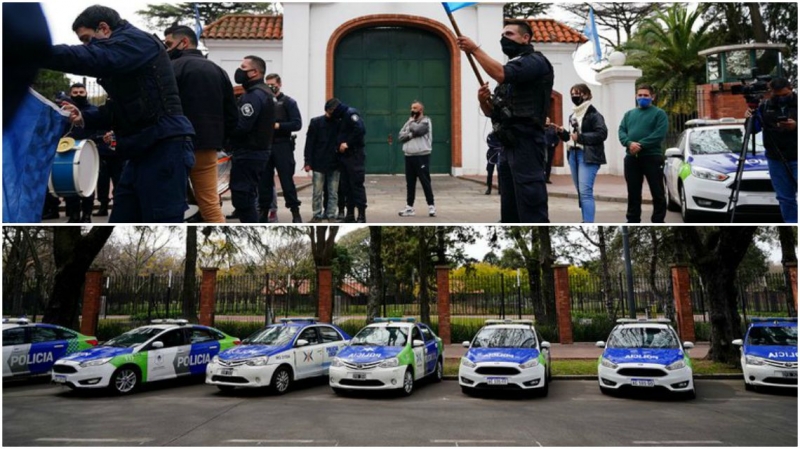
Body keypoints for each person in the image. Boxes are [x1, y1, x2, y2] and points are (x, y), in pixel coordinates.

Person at [42, 5, 195, 223]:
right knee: (122, 217)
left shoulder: (137, 42)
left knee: (161, 218)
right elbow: (119, 109)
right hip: (139, 149)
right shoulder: (125, 56)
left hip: (164, 146)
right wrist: (85, 116)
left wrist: (34, 53)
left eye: (87, 39)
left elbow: (92, 58)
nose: (86, 46)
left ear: (103, 28)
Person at [457, 20, 554, 223]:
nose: (504, 38)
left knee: (530, 201)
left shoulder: (535, 62)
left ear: (525, 38)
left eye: (509, 34)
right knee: (509, 205)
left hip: (527, 142)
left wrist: (474, 49)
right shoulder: (512, 71)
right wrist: (482, 101)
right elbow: (492, 113)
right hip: (506, 145)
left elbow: (501, 73)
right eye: (502, 35)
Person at [164, 25, 237, 223]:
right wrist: (222, 141)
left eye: (169, 44)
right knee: (210, 203)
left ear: (184, 42)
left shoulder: (171, 68)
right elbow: (231, 113)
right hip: (208, 146)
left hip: (175, 144)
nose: (167, 49)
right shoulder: (218, 70)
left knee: (171, 202)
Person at [229, 56, 276, 223]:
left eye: (243, 67)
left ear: (255, 72)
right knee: (247, 195)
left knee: (243, 198)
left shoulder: (254, 95)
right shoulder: (265, 92)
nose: (239, 70)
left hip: (249, 152)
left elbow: (242, 126)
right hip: (258, 151)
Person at [747, 77, 798, 223]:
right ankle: (792, 222)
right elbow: (752, 130)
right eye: (777, 95)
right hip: (775, 157)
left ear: (791, 89)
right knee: (784, 197)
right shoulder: (764, 106)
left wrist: (796, 126)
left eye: (785, 95)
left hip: (797, 155)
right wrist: (750, 117)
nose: (781, 98)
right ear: (771, 93)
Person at [557, 83, 608, 223]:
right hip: (573, 154)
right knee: (581, 191)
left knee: (585, 192)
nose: (575, 96)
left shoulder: (594, 115)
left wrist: (581, 138)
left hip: (587, 155)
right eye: (572, 93)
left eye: (578, 93)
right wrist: (562, 133)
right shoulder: (572, 115)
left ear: (586, 94)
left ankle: (588, 222)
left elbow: (602, 134)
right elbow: (571, 138)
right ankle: (585, 220)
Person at [62, 83, 112, 223]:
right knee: (70, 184)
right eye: (75, 92)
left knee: (87, 186)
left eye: (81, 92)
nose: (78, 94)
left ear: (86, 93)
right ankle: (74, 216)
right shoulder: (65, 112)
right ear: (70, 93)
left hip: (89, 151)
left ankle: (86, 216)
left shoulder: (94, 111)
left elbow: (101, 133)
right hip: (69, 151)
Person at [619, 84, 668, 223]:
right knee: (633, 192)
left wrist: (640, 145)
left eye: (645, 95)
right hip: (631, 158)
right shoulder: (629, 114)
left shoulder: (659, 114)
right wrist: (629, 143)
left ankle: (658, 219)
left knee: (657, 191)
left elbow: (659, 134)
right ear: (636, 96)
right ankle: (633, 219)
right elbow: (621, 131)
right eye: (639, 95)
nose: (642, 98)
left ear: (652, 97)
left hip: (652, 157)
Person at [259, 73, 303, 223]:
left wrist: (278, 126)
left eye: (273, 84)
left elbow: (297, 124)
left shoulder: (288, 102)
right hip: (265, 145)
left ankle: (295, 213)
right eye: (268, 84)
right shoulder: (263, 102)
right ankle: (263, 213)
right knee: (264, 182)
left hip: (282, 145)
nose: (271, 87)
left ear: (279, 84)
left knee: (286, 181)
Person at [326, 98, 367, 223]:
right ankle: (349, 215)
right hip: (343, 157)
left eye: (329, 112)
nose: (328, 115)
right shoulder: (339, 117)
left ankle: (361, 215)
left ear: (334, 109)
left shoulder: (350, 114)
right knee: (345, 187)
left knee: (356, 185)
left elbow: (360, 130)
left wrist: (348, 143)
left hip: (354, 155)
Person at [397, 101, 436, 217]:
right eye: (411, 108)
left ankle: (431, 206)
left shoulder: (426, 121)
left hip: (422, 155)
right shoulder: (409, 122)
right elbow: (400, 136)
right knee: (410, 183)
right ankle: (409, 207)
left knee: (425, 181)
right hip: (409, 156)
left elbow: (418, 130)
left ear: (421, 110)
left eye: (415, 108)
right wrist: (410, 134)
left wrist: (411, 125)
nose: (413, 110)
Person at [303, 105, 340, 223]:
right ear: (327, 110)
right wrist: (307, 161)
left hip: (334, 163)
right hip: (319, 162)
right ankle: (317, 215)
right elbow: (309, 143)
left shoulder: (339, 123)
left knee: (333, 192)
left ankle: (331, 215)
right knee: (317, 192)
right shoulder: (316, 123)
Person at [544, 116, 559, 184]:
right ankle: (542, 177)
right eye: (546, 120)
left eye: (548, 120)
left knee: (549, 163)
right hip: (543, 148)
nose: (547, 121)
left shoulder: (552, 129)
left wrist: (554, 144)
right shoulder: (541, 128)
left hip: (550, 148)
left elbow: (556, 139)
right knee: (543, 163)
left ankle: (547, 178)